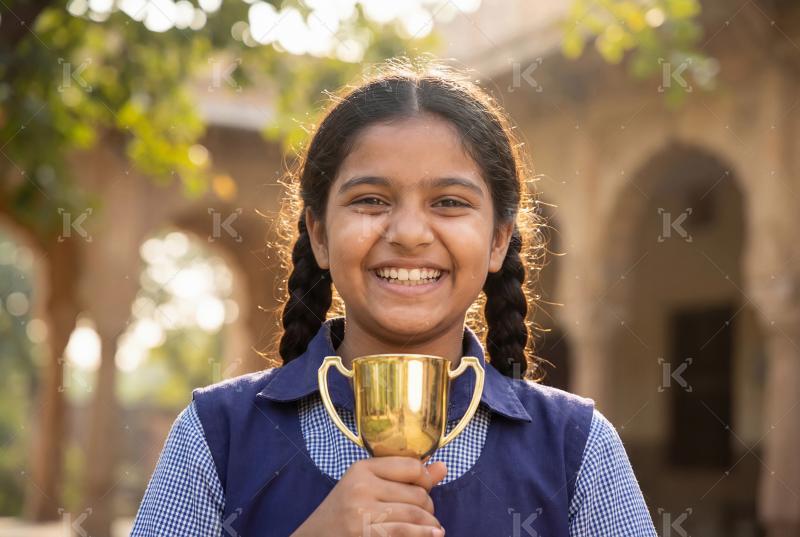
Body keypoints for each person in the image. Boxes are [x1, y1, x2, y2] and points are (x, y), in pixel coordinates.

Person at [131, 59, 657, 537]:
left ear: (498, 239)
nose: (408, 232)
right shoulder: (219, 434)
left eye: (449, 202)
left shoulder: (575, 448)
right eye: (371, 200)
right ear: (318, 234)